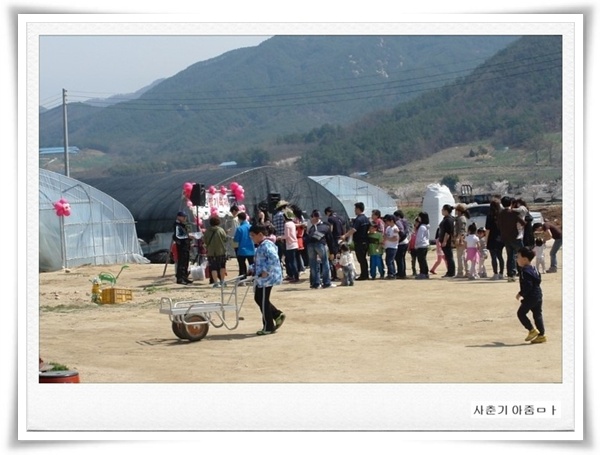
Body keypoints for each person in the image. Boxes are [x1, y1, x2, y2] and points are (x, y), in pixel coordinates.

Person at [248, 224, 285, 336]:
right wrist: (252, 269)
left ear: (260, 234)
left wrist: (265, 271)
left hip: (267, 278)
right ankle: (277, 314)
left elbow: (274, 258)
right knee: (258, 298)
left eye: (253, 235)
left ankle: (268, 326)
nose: (252, 238)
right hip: (261, 278)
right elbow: (260, 261)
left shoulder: (266, 245)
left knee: (263, 301)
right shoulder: (261, 246)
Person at [515, 247, 546, 344]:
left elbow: (528, 285)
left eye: (518, 257)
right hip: (538, 294)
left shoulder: (524, 271)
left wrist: (521, 293)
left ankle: (531, 330)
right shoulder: (534, 268)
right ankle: (541, 335)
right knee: (537, 314)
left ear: (524, 259)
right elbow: (538, 279)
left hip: (531, 296)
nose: (516, 259)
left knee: (521, 313)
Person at [497, 196, 526, 282]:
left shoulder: (500, 214)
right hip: (516, 237)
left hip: (506, 238)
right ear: (510, 203)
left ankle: (511, 275)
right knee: (521, 255)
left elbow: (498, 225)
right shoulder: (513, 213)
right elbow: (523, 223)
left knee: (510, 257)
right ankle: (522, 273)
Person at [306, 210, 336, 289]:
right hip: (320, 244)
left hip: (310, 245)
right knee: (325, 263)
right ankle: (326, 282)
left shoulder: (311, 227)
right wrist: (332, 252)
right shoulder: (325, 226)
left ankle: (315, 283)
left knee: (313, 264)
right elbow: (330, 240)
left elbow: (307, 237)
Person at [341, 202, 371, 281]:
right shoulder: (366, 218)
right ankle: (365, 274)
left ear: (358, 209)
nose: (354, 211)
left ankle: (364, 275)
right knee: (363, 259)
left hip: (359, 241)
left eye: (355, 209)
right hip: (365, 240)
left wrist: (345, 236)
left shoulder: (358, 219)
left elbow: (353, 230)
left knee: (361, 259)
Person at [203, 215, 229, 288]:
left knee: (213, 267)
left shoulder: (207, 231)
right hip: (221, 251)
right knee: (222, 266)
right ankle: (222, 281)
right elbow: (225, 239)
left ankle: (215, 283)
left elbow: (205, 241)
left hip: (211, 252)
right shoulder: (221, 230)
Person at [485, 199, 505, 280]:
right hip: (501, 237)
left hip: (492, 237)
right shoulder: (502, 215)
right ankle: (501, 273)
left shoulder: (490, 215)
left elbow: (488, 229)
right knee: (500, 256)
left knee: (493, 257)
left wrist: (486, 239)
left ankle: (495, 273)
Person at [325, 206, 346, 280]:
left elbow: (331, 229)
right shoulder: (341, 217)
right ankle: (342, 273)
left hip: (334, 239)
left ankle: (335, 274)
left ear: (328, 212)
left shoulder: (330, 218)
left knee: (333, 257)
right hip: (341, 238)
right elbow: (344, 227)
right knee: (341, 256)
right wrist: (344, 236)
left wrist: (328, 238)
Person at [173, 211, 193, 285]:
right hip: (182, 246)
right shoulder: (177, 225)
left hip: (186, 245)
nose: (184, 218)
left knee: (186, 261)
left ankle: (185, 277)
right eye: (183, 217)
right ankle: (180, 278)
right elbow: (178, 236)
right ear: (178, 217)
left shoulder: (183, 225)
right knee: (181, 261)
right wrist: (188, 236)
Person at [232, 211, 255, 278]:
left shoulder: (239, 228)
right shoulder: (251, 227)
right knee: (252, 264)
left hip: (242, 250)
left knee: (242, 265)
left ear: (239, 219)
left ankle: (243, 278)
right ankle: (254, 278)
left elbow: (236, 239)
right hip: (251, 249)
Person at [438, 204, 456, 278]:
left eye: (443, 210)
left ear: (446, 211)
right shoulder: (446, 218)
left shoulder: (448, 220)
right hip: (444, 240)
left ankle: (451, 272)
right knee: (448, 257)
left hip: (447, 241)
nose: (442, 211)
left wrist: (445, 241)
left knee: (449, 257)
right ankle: (449, 271)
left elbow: (448, 232)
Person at [282, 209, 300, 283]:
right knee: (294, 260)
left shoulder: (286, 224)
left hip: (290, 245)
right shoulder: (292, 223)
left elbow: (287, 236)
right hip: (295, 244)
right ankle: (296, 276)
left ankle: (295, 276)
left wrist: (280, 237)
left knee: (292, 262)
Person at [453, 203, 469, 278]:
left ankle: (461, 272)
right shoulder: (460, 218)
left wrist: (458, 238)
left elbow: (462, 230)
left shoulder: (461, 219)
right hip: (462, 238)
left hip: (461, 238)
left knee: (460, 256)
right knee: (462, 256)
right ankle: (466, 271)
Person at [393, 209, 410, 279]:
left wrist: (398, 239)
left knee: (399, 258)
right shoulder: (405, 221)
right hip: (405, 241)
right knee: (401, 258)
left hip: (401, 242)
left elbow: (401, 231)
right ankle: (402, 272)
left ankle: (401, 273)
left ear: (398, 216)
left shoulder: (398, 222)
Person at [414, 212, 431, 279]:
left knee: (421, 260)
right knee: (423, 260)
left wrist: (416, 244)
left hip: (421, 245)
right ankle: (425, 273)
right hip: (425, 245)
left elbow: (419, 237)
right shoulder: (426, 226)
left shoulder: (421, 227)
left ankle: (423, 273)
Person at [382, 214, 399, 279]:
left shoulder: (395, 228)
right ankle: (392, 273)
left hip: (393, 247)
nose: (386, 222)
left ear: (391, 221)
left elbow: (395, 238)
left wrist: (387, 238)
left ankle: (391, 273)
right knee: (390, 261)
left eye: (387, 221)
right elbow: (385, 235)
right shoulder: (388, 228)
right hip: (388, 246)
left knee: (389, 261)